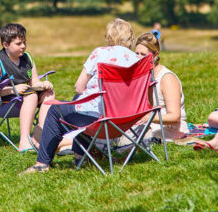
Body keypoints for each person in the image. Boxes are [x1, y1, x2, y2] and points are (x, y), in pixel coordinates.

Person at [22, 18, 138, 173]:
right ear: (130, 38)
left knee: (57, 111)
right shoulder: (138, 60)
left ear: (109, 37)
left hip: (100, 118)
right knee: (77, 105)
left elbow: (79, 87)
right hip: (126, 119)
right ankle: (79, 156)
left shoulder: (100, 53)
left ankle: (42, 164)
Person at [0, 23, 55, 152]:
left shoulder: (27, 58)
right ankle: (24, 141)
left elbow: (34, 82)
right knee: (31, 95)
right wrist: (12, 89)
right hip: (4, 101)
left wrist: (43, 85)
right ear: (6, 45)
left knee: (49, 93)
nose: (23, 46)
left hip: (24, 96)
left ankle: (39, 135)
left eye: (24, 42)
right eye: (18, 43)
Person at [134, 30, 188, 140]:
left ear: (155, 55)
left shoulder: (167, 78)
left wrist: (149, 118)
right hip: (149, 126)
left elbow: (175, 116)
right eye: (136, 54)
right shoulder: (140, 76)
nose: (138, 58)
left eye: (143, 55)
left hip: (170, 130)